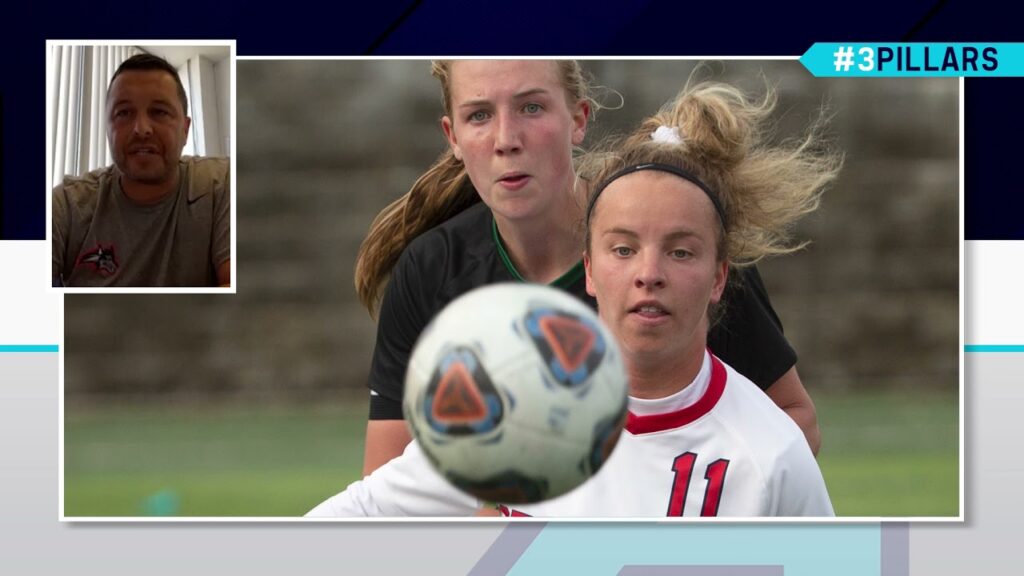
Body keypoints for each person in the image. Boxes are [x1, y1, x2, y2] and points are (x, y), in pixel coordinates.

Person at [308, 79, 839, 517]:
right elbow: (376, 508)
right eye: (623, 249)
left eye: (531, 107)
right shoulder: (443, 288)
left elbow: (785, 436)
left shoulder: (764, 447)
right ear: (590, 268)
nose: (506, 139)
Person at [52, 53, 230, 288]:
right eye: (124, 113)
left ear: (185, 130)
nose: (141, 129)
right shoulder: (67, 206)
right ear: (108, 129)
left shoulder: (222, 185)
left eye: (159, 112)